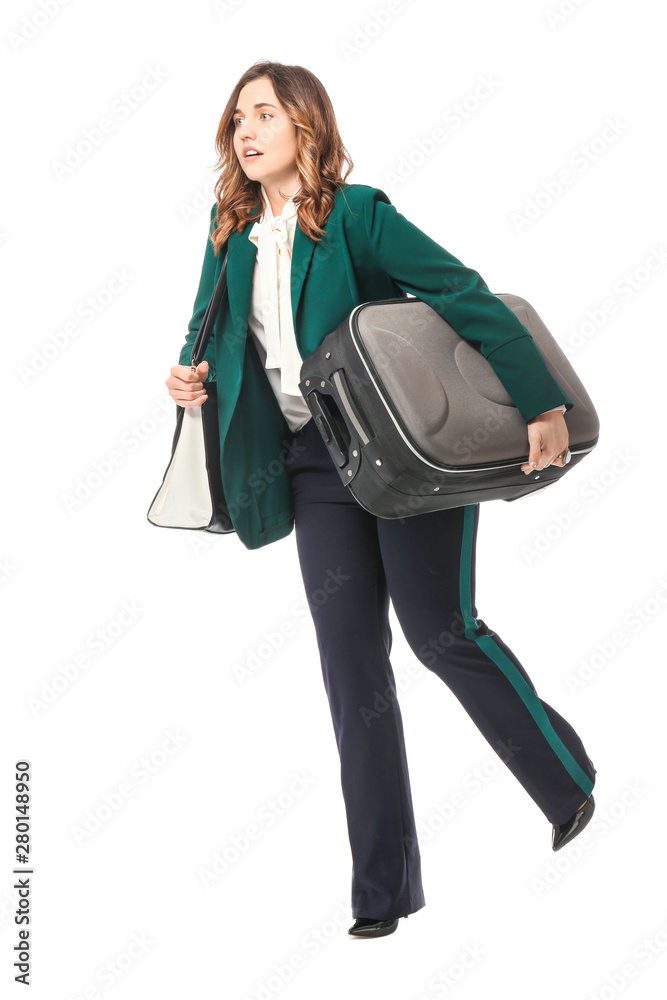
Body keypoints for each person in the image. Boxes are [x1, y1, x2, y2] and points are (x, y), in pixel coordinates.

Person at [165, 61, 597, 938]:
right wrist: (188, 378)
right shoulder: (228, 233)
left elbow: (458, 291)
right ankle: (382, 891)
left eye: (265, 115)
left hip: (399, 459)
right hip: (309, 470)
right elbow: (208, 336)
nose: (246, 132)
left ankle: (565, 779)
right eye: (237, 118)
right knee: (350, 671)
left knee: (441, 634)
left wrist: (539, 402)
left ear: (307, 131)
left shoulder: (357, 216)